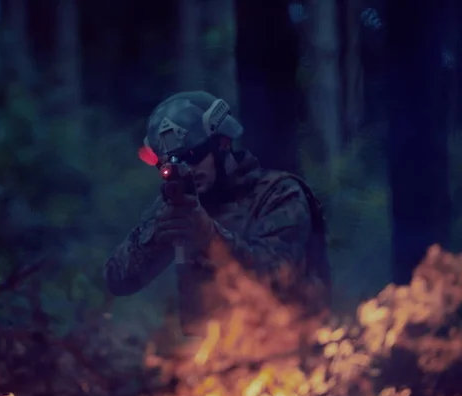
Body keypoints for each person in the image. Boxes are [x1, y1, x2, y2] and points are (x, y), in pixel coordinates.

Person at [104, 91, 331, 335]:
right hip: (211, 360)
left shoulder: (279, 194)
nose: (187, 169)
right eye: (172, 162)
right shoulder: (177, 205)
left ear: (223, 144)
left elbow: (277, 280)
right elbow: (118, 280)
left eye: (194, 155)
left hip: (287, 353)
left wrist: (211, 238)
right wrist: (154, 238)